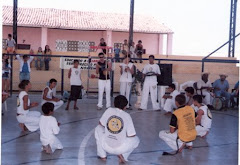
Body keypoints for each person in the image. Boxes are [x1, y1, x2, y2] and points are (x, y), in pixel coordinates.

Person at [95, 95, 140, 163]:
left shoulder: (109, 110)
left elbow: (101, 124)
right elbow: (132, 135)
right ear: (125, 107)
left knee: (98, 128)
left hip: (106, 145)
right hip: (121, 148)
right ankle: (124, 156)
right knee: (136, 140)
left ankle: (102, 155)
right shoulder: (127, 116)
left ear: (114, 104)